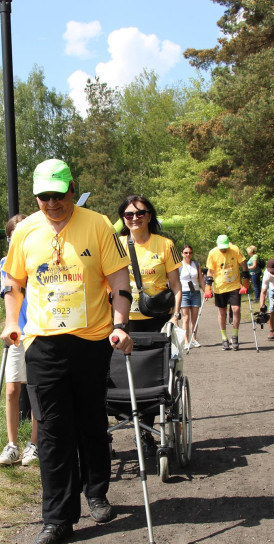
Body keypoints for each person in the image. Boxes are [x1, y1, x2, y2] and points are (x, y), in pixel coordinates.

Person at [0, 158, 132, 544]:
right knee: (54, 430)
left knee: (91, 419)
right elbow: (14, 281)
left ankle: (96, 493)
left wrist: (120, 322)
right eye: (43, 196)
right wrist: (11, 321)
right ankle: (57, 518)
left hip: (91, 340)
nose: (52, 202)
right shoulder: (24, 231)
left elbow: (118, 278)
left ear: (72, 188)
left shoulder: (97, 224)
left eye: (58, 194)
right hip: (42, 343)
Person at [117, 194, 181, 459]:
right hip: (124, 320)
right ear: (123, 219)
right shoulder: (116, 244)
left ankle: (146, 430)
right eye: (129, 215)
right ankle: (129, 420)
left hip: (156, 320)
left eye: (140, 213)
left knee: (152, 375)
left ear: (149, 216)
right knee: (121, 374)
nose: (134, 218)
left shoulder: (165, 245)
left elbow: (176, 286)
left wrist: (176, 317)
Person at [0, 214, 39, 468]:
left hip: (38, 332)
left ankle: (34, 443)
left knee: (35, 390)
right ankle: (12, 445)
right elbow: (10, 296)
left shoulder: (38, 258)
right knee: (12, 390)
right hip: (17, 334)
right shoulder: (6, 263)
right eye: (14, 236)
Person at [205, 234, 247, 350]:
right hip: (220, 286)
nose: (223, 249)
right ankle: (224, 338)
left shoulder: (235, 249)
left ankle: (235, 336)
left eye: (225, 247)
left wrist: (246, 281)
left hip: (234, 285)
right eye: (221, 247)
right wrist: (208, 287)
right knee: (222, 312)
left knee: (236, 309)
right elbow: (210, 271)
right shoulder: (213, 253)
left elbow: (244, 264)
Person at [178, 244, 205, 350]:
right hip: (184, 293)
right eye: (186, 252)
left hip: (195, 292)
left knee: (195, 318)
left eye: (190, 252)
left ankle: (194, 339)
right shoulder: (178, 265)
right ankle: (186, 340)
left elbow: (201, 279)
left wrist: (206, 290)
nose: (188, 254)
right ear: (182, 254)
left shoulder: (196, 264)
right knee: (186, 318)